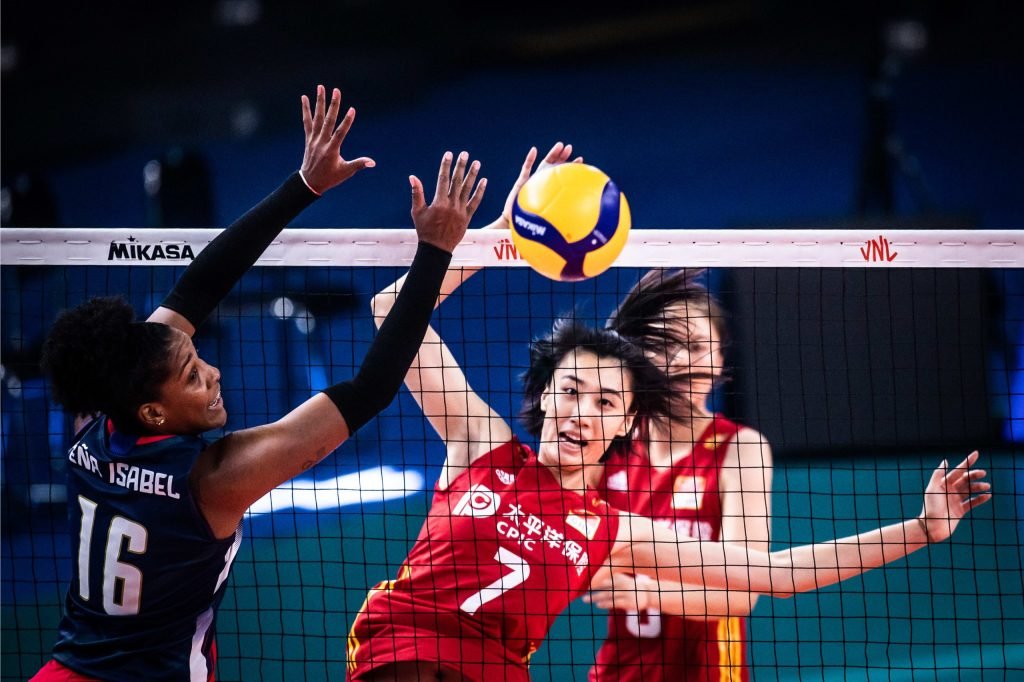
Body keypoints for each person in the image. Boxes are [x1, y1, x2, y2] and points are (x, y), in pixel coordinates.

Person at [346, 145, 992, 682]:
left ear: (626, 424)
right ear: (543, 396)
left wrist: (920, 529)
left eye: (605, 402)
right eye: (570, 390)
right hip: (399, 651)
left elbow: (777, 574)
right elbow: (391, 313)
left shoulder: (612, 530)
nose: (581, 412)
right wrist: (495, 238)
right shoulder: (481, 445)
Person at [32, 85, 487, 682]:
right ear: (153, 413)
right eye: (193, 377)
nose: (213, 372)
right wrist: (434, 253)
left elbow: (199, 285)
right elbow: (370, 389)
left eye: (198, 358)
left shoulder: (96, 415)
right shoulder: (214, 482)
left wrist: (305, 185)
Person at [586, 269, 772, 681]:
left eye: (697, 346)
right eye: (664, 345)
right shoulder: (610, 443)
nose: (682, 360)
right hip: (618, 673)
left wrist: (647, 591)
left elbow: (744, 591)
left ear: (720, 359)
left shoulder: (741, 448)